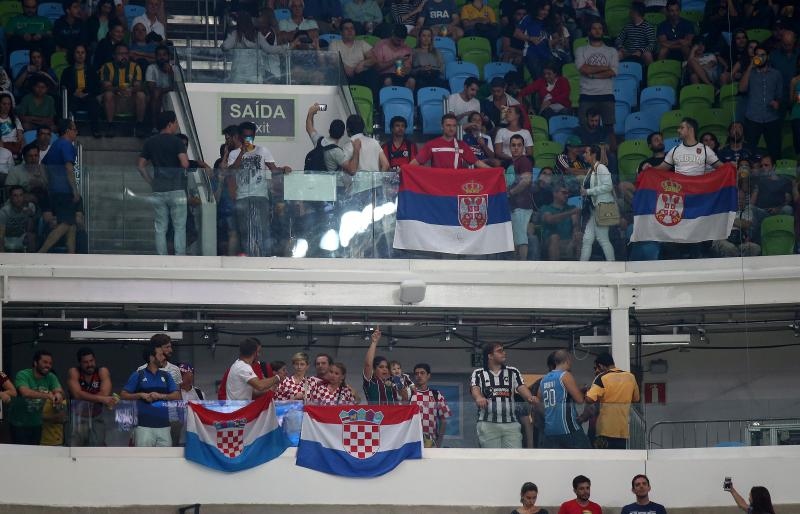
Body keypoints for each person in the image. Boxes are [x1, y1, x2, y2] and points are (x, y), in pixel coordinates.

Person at [224, 121, 291, 256]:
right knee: (245, 231)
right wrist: (242, 152)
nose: (248, 139)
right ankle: (249, 258)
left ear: (254, 136)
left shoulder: (262, 150)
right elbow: (231, 171)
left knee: (263, 230)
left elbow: (273, 169)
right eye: (245, 136)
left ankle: (264, 259)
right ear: (240, 137)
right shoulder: (234, 154)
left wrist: (283, 169)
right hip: (242, 196)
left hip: (261, 195)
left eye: (251, 136)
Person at [137, 110, 190, 255]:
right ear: (169, 124)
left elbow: (141, 166)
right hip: (176, 188)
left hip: (159, 188)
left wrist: (151, 182)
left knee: (160, 226)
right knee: (179, 226)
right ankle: (179, 256)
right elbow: (185, 163)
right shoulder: (177, 141)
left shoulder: (150, 142)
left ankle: (162, 256)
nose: (177, 125)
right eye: (176, 122)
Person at [470, 342, 536, 448]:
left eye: (503, 350)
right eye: (499, 351)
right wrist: (479, 397)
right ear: (490, 356)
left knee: (514, 456)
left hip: (511, 423)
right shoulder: (478, 373)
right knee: (492, 457)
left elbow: (522, 387)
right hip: (488, 423)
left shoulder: (513, 372)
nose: (504, 353)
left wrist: (531, 398)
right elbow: (475, 388)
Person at [120, 343, 180, 447]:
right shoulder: (138, 374)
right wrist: (140, 395)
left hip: (164, 426)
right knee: (143, 457)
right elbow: (123, 395)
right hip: (143, 427)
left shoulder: (166, 375)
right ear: (152, 357)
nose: (163, 357)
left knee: (166, 457)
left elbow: (177, 396)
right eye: (160, 355)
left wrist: (161, 396)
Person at [39, 118, 80, 254]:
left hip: (54, 190)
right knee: (66, 223)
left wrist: (47, 182)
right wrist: (75, 190)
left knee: (72, 224)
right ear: (68, 131)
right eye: (74, 129)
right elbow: (69, 168)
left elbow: (42, 165)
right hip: (64, 191)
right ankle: (41, 252)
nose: (76, 132)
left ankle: (71, 255)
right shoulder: (67, 145)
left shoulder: (55, 144)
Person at [575, 21, 618, 149]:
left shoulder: (611, 51)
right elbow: (583, 69)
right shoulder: (581, 50)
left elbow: (613, 72)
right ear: (589, 31)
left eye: (600, 28)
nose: (597, 31)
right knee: (584, 127)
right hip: (586, 94)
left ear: (603, 31)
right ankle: (585, 156)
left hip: (606, 94)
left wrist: (593, 75)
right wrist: (605, 67)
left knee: (609, 128)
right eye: (594, 28)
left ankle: (611, 156)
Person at [7, 350, 64, 445]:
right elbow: (25, 392)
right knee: (21, 452)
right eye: (45, 362)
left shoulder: (51, 377)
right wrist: (47, 395)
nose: (48, 365)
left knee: (34, 451)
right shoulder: (23, 374)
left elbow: (58, 390)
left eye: (50, 363)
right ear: (35, 363)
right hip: (18, 423)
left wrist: (58, 395)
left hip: (36, 423)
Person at [585, 352, 640, 449]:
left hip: (604, 430)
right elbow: (636, 399)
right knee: (619, 457)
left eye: (596, 368)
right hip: (622, 430)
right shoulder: (631, 377)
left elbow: (589, 399)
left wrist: (586, 391)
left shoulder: (601, 378)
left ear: (601, 366)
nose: (596, 371)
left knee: (602, 456)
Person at [738, 45, 784, 161]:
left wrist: (777, 102)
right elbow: (742, 89)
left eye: (762, 55)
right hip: (753, 117)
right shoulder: (749, 72)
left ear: (767, 57)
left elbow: (780, 95)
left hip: (771, 117)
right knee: (749, 152)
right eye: (757, 55)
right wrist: (750, 66)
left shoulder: (776, 74)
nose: (760, 57)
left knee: (775, 151)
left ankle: (774, 172)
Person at [537, 349, 589, 448]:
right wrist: (583, 391)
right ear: (567, 360)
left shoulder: (544, 379)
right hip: (567, 428)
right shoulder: (565, 375)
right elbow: (580, 400)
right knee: (586, 454)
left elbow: (538, 403)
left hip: (550, 429)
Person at [66, 347, 116, 447]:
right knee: (74, 449)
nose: (89, 364)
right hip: (77, 417)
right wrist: (100, 399)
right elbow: (77, 395)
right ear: (80, 363)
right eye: (85, 362)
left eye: (91, 361)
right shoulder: (74, 371)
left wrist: (85, 396)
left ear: (95, 360)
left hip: (97, 417)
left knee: (97, 448)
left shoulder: (102, 371)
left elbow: (105, 394)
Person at [99, 42, 148, 137]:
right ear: (114, 55)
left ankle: (140, 126)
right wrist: (118, 89)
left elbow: (138, 86)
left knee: (141, 95)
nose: (124, 56)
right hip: (115, 99)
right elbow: (106, 86)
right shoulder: (107, 67)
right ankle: (110, 126)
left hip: (130, 99)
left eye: (126, 53)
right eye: (120, 54)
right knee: (108, 94)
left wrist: (131, 90)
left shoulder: (135, 67)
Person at [410, 113, 490, 168]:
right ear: (442, 127)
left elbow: (477, 162)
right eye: (448, 125)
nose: (451, 129)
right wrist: (405, 170)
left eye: (454, 126)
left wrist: (494, 171)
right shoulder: (431, 144)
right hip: (437, 184)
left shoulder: (462, 145)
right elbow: (416, 162)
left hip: (455, 183)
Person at [579, 144, 615, 262]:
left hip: (602, 207)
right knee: (587, 239)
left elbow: (608, 186)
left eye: (586, 152)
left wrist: (588, 191)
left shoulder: (601, 168)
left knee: (602, 239)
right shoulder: (591, 169)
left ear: (593, 154)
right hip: (594, 209)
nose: (584, 155)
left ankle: (612, 265)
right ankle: (582, 265)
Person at [221, 11, 277, 83]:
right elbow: (268, 48)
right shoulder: (257, 34)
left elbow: (225, 46)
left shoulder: (235, 34)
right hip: (255, 73)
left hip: (239, 73)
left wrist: (223, 46)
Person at [655, 117, 722, 176]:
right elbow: (661, 169)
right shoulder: (674, 150)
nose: (678, 130)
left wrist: (729, 166)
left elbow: (722, 168)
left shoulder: (705, 149)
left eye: (682, 128)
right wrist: (650, 168)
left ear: (691, 130)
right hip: (680, 186)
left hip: (698, 186)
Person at [305, 103, 360, 173]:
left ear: (329, 130)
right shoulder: (337, 152)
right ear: (342, 134)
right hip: (327, 180)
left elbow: (309, 127)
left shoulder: (319, 141)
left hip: (314, 178)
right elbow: (352, 170)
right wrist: (356, 149)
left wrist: (311, 113)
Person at [60, 44, 101, 138]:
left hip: (88, 97)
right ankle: (70, 130)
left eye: (83, 52)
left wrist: (86, 94)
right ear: (73, 54)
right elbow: (63, 87)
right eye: (78, 52)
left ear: (86, 55)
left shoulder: (92, 70)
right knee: (70, 103)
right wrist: (74, 93)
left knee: (93, 103)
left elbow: (97, 88)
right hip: (72, 97)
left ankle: (95, 130)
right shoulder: (67, 71)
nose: (80, 55)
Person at [409, 363, 450, 448]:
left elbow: (443, 420)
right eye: (416, 374)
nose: (419, 376)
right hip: (411, 440)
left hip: (431, 442)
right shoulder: (409, 394)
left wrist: (439, 442)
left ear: (428, 375)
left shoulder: (436, 394)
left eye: (422, 373)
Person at [507, 134, 535, 260]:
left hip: (521, 205)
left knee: (521, 237)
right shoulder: (513, 162)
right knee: (516, 237)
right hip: (515, 205)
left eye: (519, 145)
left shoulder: (524, 161)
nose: (516, 148)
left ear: (523, 147)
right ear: (509, 147)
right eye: (513, 145)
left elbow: (526, 180)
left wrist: (511, 192)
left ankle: (522, 264)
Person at [363, 326, 408, 404]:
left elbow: (405, 399)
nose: (385, 369)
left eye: (387, 367)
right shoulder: (371, 381)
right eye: (381, 367)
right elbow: (368, 364)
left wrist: (398, 381)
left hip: (394, 411)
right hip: (377, 412)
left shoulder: (394, 380)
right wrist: (374, 342)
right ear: (374, 369)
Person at [541, 183, 580, 260]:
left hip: (569, 241)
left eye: (568, 193)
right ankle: (555, 266)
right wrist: (570, 212)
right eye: (564, 193)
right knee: (554, 237)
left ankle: (581, 266)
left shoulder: (572, 208)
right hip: (550, 242)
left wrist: (572, 241)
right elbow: (550, 219)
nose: (567, 195)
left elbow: (576, 225)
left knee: (579, 235)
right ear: (555, 194)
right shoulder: (546, 208)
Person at [330, 19, 374, 88]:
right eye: (346, 28)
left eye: (352, 28)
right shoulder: (334, 44)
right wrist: (346, 68)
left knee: (372, 73)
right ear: (341, 32)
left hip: (360, 74)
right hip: (342, 76)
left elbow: (373, 59)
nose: (350, 31)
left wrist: (362, 63)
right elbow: (334, 60)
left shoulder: (361, 43)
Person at [515, 1, 551, 79]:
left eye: (547, 10)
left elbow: (550, 38)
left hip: (546, 55)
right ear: (537, 9)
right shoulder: (528, 18)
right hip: (532, 54)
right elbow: (517, 34)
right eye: (543, 10)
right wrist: (530, 38)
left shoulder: (548, 21)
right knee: (539, 79)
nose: (545, 12)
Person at [145, 45, 175, 133]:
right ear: (156, 57)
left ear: (169, 57)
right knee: (156, 93)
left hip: (171, 96)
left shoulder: (175, 68)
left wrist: (171, 72)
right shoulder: (151, 68)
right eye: (159, 55)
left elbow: (178, 87)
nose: (162, 57)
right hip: (155, 96)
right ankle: (155, 125)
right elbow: (151, 88)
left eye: (164, 55)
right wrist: (167, 89)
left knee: (158, 92)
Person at [0, 186, 38, 252]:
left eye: (21, 195)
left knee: (31, 236)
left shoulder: (30, 207)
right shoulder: (4, 211)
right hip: (7, 237)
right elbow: (1, 233)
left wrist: (30, 216)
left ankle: (31, 258)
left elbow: (30, 230)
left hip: (22, 236)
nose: (18, 198)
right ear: (10, 198)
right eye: (15, 196)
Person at [0, 92, 25, 156]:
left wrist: (20, 149)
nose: (6, 106)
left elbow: (20, 136)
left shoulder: (15, 119)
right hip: (2, 147)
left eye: (9, 104)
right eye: (4, 104)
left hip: (15, 146)